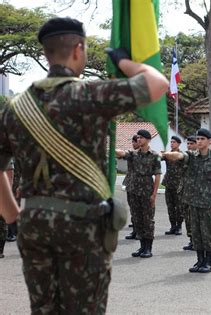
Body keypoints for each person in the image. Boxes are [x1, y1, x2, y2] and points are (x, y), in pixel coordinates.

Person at [0, 17, 168, 313]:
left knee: (43, 309)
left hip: (34, 224)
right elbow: (157, 84)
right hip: (82, 225)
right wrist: (125, 62)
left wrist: (14, 216)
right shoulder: (90, 94)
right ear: (78, 49)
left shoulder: (15, 108)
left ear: (44, 54)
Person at [162, 128, 211, 273]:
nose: (199, 141)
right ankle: (199, 261)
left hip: (207, 202)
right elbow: (178, 156)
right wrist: (166, 154)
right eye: (198, 139)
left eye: (203, 139)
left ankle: (208, 262)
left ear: (209, 141)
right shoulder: (191, 156)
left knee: (207, 232)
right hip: (192, 201)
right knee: (195, 233)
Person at [116, 129, 161, 258]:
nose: (139, 139)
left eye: (141, 137)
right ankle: (142, 246)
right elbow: (121, 153)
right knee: (137, 218)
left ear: (148, 140)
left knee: (148, 219)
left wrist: (154, 194)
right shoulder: (133, 154)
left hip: (146, 191)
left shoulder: (154, 155)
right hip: (133, 191)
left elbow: (157, 176)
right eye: (138, 137)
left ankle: (148, 248)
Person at [162, 135, 185, 236]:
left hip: (178, 185)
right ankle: (172, 226)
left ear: (179, 144)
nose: (172, 144)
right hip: (168, 183)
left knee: (179, 207)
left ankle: (179, 226)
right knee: (170, 206)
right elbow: (160, 156)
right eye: (171, 142)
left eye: (174, 142)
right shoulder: (168, 154)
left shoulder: (182, 155)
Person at [182, 136, 197, 250]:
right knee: (187, 217)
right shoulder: (186, 157)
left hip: (197, 194)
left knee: (195, 219)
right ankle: (191, 240)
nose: (189, 146)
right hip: (186, 192)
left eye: (192, 144)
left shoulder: (199, 158)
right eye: (188, 144)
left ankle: (197, 242)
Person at [124, 135, 140, 240]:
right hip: (130, 183)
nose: (133, 144)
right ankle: (135, 230)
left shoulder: (144, 155)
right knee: (133, 209)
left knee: (139, 210)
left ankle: (139, 232)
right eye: (133, 142)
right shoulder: (131, 154)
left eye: (134, 142)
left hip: (140, 186)